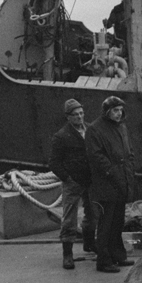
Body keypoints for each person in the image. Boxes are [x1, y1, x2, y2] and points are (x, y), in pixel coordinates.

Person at [86, 96, 136, 273]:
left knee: (117, 222)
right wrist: (113, 172)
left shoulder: (121, 127)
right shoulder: (94, 129)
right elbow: (96, 156)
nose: (119, 113)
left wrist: (128, 171)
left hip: (121, 181)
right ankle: (104, 260)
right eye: (115, 110)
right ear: (107, 111)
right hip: (106, 184)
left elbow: (128, 152)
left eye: (120, 110)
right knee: (106, 224)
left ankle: (117, 255)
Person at [49, 99, 96, 270]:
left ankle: (89, 243)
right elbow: (54, 162)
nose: (79, 117)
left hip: (91, 180)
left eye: (81, 113)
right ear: (68, 117)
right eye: (75, 115)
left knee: (93, 214)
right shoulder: (61, 136)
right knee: (69, 218)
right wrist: (67, 178)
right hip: (73, 182)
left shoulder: (91, 130)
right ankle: (67, 254)